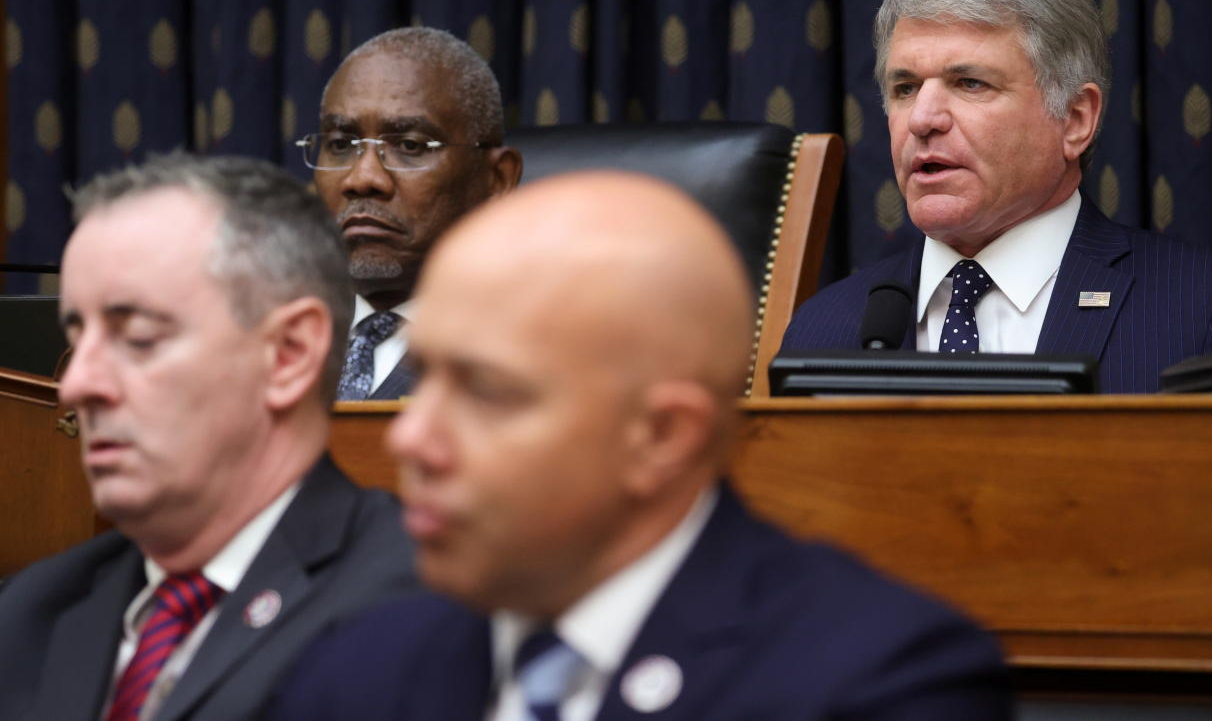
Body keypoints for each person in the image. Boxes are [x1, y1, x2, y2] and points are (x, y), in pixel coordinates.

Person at [271, 172, 1012, 720]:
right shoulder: (354, 671)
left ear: (663, 437)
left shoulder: (879, 683)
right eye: (425, 374)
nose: (411, 436)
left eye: (486, 390)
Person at [0, 154, 417, 720]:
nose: (75, 385)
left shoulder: (420, 607)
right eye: (78, 336)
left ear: (288, 355)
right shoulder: (34, 610)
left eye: (138, 337)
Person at [782, 0, 1212, 393]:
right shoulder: (824, 327)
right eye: (905, 88)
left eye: (969, 83)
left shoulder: (1207, 307)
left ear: (1075, 119)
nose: (921, 119)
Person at [304, 26, 523, 401]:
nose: (363, 178)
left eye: (410, 145)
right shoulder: (261, 336)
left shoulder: (535, 351)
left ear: (496, 180)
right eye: (341, 144)